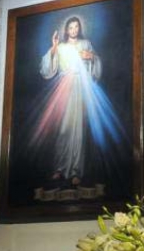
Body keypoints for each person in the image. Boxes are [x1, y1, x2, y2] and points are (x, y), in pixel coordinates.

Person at [34, 16, 102, 186]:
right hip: (64, 87)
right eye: (70, 27)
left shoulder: (85, 44)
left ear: (79, 28)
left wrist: (92, 57)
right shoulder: (62, 47)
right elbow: (48, 68)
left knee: (78, 129)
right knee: (63, 128)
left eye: (76, 27)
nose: (73, 30)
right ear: (66, 30)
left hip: (81, 86)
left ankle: (76, 171)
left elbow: (96, 63)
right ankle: (60, 168)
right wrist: (54, 46)